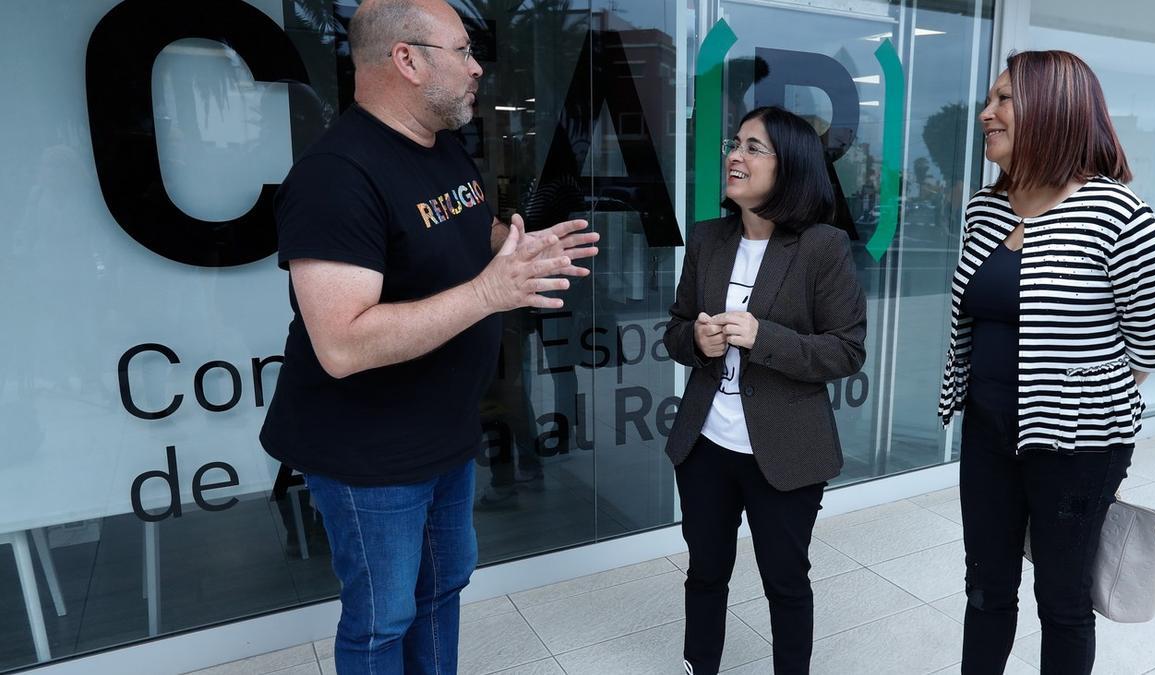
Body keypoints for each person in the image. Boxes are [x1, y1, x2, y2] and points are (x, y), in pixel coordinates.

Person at [258, 1, 599, 672]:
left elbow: (465, 238)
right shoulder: (336, 177)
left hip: (444, 434)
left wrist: (516, 247)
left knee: (442, 589)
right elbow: (343, 342)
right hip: (369, 458)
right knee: (384, 618)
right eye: (463, 51)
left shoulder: (442, 148)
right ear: (407, 60)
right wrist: (488, 293)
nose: (477, 68)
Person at [937, 50, 1155, 675]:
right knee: (985, 589)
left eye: (1003, 100)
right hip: (987, 434)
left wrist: (1070, 392)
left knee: (1062, 600)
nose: (986, 114)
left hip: (1077, 446)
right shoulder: (985, 210)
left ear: (1054, 108)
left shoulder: (1119, 217)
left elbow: (1149, 350)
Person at [663, 106, 866, 675]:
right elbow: (675, 328)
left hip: (786, 449)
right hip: (705, 445)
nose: (735, 156)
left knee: (785, 580)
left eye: (755, 148)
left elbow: (846, 351)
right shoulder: (708, 238)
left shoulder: (822, 247)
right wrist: (695, 340)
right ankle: (699, 664)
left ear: (791, 168)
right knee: (705, 570)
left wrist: (763, 337)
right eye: (736, 143)